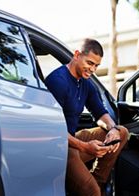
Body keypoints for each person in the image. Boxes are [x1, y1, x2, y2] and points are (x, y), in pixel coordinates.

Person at [44, 38, 129, 196]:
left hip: (72, 140)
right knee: (91, 191)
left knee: (122, 132)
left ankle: (97, 184)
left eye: (96, 65)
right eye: (90, 63)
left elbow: (100, 112)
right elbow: (52, 129)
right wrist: (85, 146)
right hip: (56, 147)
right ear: (77, 55)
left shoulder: (85, 83)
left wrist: (113, 129)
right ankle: (92, 190)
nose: (93, 69)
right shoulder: (58, 81)